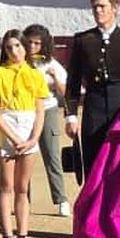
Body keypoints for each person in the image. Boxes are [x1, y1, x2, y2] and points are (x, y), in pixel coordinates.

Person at [64, 0, 120, 179]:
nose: (98, 11)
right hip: (93, 106)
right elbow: (73, 81)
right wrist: (71, 116)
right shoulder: (83, 40)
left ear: (115, 8)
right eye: (95, 7)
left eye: (102, 6)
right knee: (93, 164)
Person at [0, 30, 48, 238]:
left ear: (25, 48)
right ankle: (7, 236)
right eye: (9, 47)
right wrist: (13, 136)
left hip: (29, 127)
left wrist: (34, 137)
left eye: (18, 46)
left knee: (23, 187)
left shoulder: (35, 74)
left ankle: (23, 234)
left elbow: (40, 109)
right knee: (6, 185)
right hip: (7, 126)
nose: (14, 51)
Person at [23, 24, 70, 217]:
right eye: (30, 42)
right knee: (23, 157)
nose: (33, 46)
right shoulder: (19, 61)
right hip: (24, 112)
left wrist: (54, 78)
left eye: (37, 43)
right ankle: (23, 199)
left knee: (52, 155)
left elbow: (65, 92)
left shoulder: (51, 64)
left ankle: (61, 199)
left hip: (48, 109)